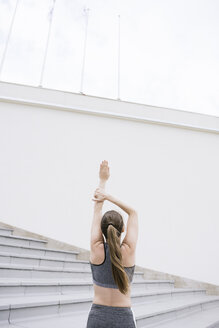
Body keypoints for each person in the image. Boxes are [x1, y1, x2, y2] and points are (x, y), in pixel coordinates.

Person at [86, 160, 138, 328]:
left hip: (97, 318)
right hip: (123, 319)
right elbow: (133, 212)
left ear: (102, 229)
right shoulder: (128, 251)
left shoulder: (96, 248)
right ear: (123, 229)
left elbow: (97, 210)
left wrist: (102, 181)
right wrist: (108, 196)